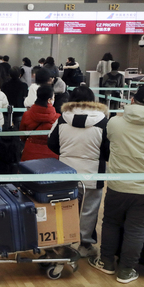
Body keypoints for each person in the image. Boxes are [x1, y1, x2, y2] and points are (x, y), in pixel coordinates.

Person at [89, 85, 144, 284]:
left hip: (118, 185)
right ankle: (127, 270)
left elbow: (108, 144)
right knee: (137, 229)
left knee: (111, 223)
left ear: (131, 100)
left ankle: (107, 262)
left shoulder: (114, 123)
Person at [47, 86, 110, 258]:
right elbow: (109, 149)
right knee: (89, 210)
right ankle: (85, 244)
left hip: (66, 173)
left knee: (66, 208)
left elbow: (51, 143)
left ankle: (64, 241)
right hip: (93, 174)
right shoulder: (104, 122)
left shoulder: (61, 120)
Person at [20, 84, 60, 161]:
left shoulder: (27, 115)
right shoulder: (57, 118)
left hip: (30, 154)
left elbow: (22, 136)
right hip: (51, 156)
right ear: (49, 100)